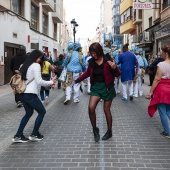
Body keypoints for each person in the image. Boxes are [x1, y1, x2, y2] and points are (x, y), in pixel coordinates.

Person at [74, 42, 121, 142]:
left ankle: (109, 131)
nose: (93, 55)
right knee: (91, 108)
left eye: (95, 53)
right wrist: (77, 80)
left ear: (99, 51)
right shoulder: (91, 62)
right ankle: (95, 130)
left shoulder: (108, 59)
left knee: (106, 110)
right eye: (92, 53)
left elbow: (118, 74)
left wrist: (114, 68)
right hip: (96, 87)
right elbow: (87, 73)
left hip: (107, 87)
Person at [12, 50, 56, 143]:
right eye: (40, 58)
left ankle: (18, 135)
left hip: (23, 93)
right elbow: (39, 81)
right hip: (30, 94)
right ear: (35, 56)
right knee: (42, 111)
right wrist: (51, 82)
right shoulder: (35, 66)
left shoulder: (23, 65)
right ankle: (34, 134)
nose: (40, 60)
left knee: (28, 113)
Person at [146, 46, 170, 139]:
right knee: (168, 110)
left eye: (162, 53)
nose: (161, 54)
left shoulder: (161, 64)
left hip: (162, 90)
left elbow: (157, 79)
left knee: (162, 111)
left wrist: (151, 92)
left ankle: (167, 132)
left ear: (166, 54)